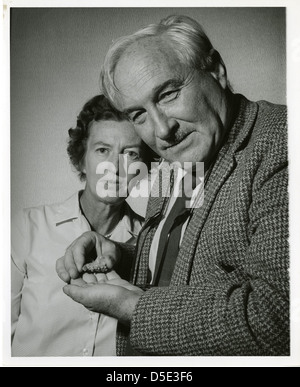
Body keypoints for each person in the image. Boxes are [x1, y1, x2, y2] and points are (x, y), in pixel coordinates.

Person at [56, 15, 289, 356]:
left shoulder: (283, 142)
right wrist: (118, 254)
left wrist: (134, 308)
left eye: (167, 94)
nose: (162, 130)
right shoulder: (173, 161)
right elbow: (175, 250)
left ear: (216, 70)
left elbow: (277, 320)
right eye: (138, 115)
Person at [11, 94, 155, 356]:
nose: (115, 167)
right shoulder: (24, 228)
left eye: (131, 153)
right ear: (81, 160)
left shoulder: (153, 243)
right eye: (103, 150)